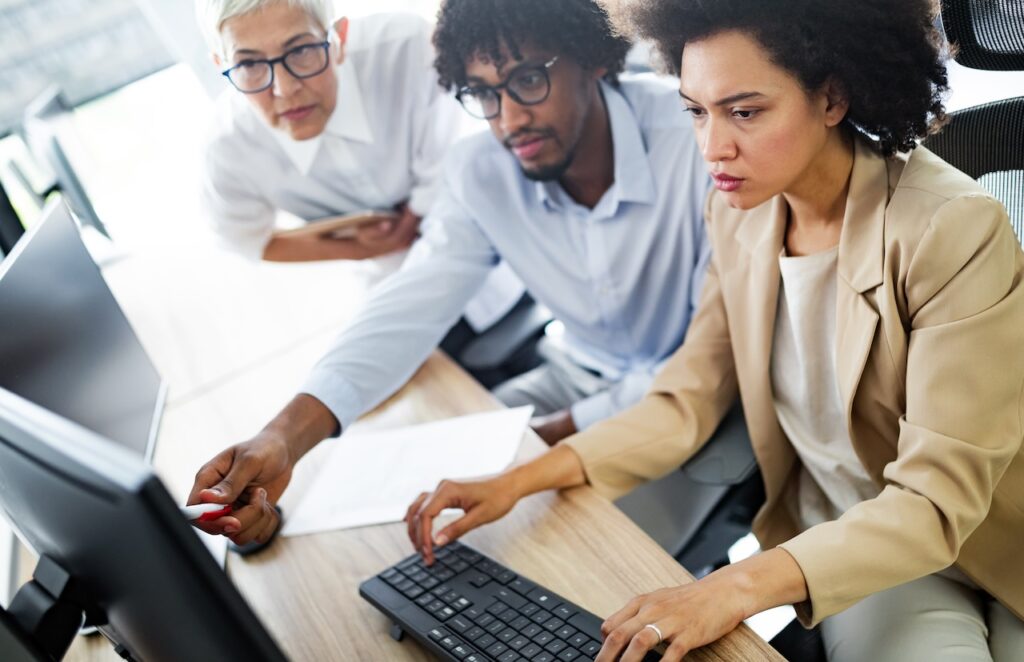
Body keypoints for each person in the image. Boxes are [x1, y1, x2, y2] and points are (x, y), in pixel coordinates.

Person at [405, 1, 1024, 660]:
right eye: (697, 111)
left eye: (745, 112)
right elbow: (686, 401)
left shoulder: (951, 227)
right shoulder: (740, 214)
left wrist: (730, 588)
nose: (713, 146)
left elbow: (935, 502)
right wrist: (521, 477)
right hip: (848, 552)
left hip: (980, 535)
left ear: (832, 97)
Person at [187, 0, 712, 547]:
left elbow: (709, 363)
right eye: (483, 94)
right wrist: (282, 439)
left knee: (558, 553)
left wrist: (547, 438)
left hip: (701, 408)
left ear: (593, 59)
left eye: (529, 80)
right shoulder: (482, 171)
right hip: (581, 376)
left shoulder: (697, 140)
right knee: (417, 497)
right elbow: (408, 306)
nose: (508, 121)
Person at [195, 0, 524, 332]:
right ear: (221, 65)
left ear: (340, 38)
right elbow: (243, 239)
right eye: (249, 64)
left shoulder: (407, 47)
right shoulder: (228, 147)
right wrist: (356, 249)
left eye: (301, 51)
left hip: (502, 258)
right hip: (397, 299)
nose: (284, 88)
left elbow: (450, 162)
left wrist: (408, 222)